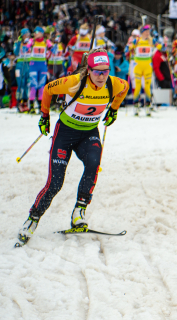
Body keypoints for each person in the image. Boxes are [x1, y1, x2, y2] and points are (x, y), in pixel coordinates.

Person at [17, 49, 129, 247]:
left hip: (88, 133)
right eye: (97, 72)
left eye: (106, 71)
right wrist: (44, 116)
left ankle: (79, 211)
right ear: (89, 71)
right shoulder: (74, 82)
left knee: (94, 163)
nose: (102, 76)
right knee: (56, 183)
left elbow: (125, 88)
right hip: (65, 134)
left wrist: (114, 109)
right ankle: (32, 219)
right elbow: (48, 89)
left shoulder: (113, 83)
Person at [126, 25, 155, 116]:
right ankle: (136, 106)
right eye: (146, 31)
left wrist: (161, 43)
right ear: (142, 32)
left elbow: (163, 48)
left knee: (147, 87)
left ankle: (148, 106)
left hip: (147, 67)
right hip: (138, 66)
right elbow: (127, 49)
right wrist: (130, 47)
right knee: (137, 87)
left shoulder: (151, 41)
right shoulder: (137, 40)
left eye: (149, 32)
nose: (148, 33)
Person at [26, 26, 53, 113]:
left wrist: (50, 52)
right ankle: (31, 106)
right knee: (33, 85)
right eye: (34, 32)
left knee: (41, 86)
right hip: (33, 65)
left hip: (43, 66)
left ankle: (41, 106)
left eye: (37, 31)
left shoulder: (46, 41)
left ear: (41, 33)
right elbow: (26, 48)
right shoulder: (32, 41)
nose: (35, 33)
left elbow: (54, 50)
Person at [13, 28, 31, 112]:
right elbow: (16, 53)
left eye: (28, 34)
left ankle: (25, 102)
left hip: (28, 64)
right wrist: (19, 42)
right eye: (26, 34)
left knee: (26, 84)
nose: (27, 36)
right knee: (20, 84)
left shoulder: (30, 43)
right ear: (22, 35)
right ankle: (18, 103)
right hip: (19, 65)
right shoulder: (17, 43)